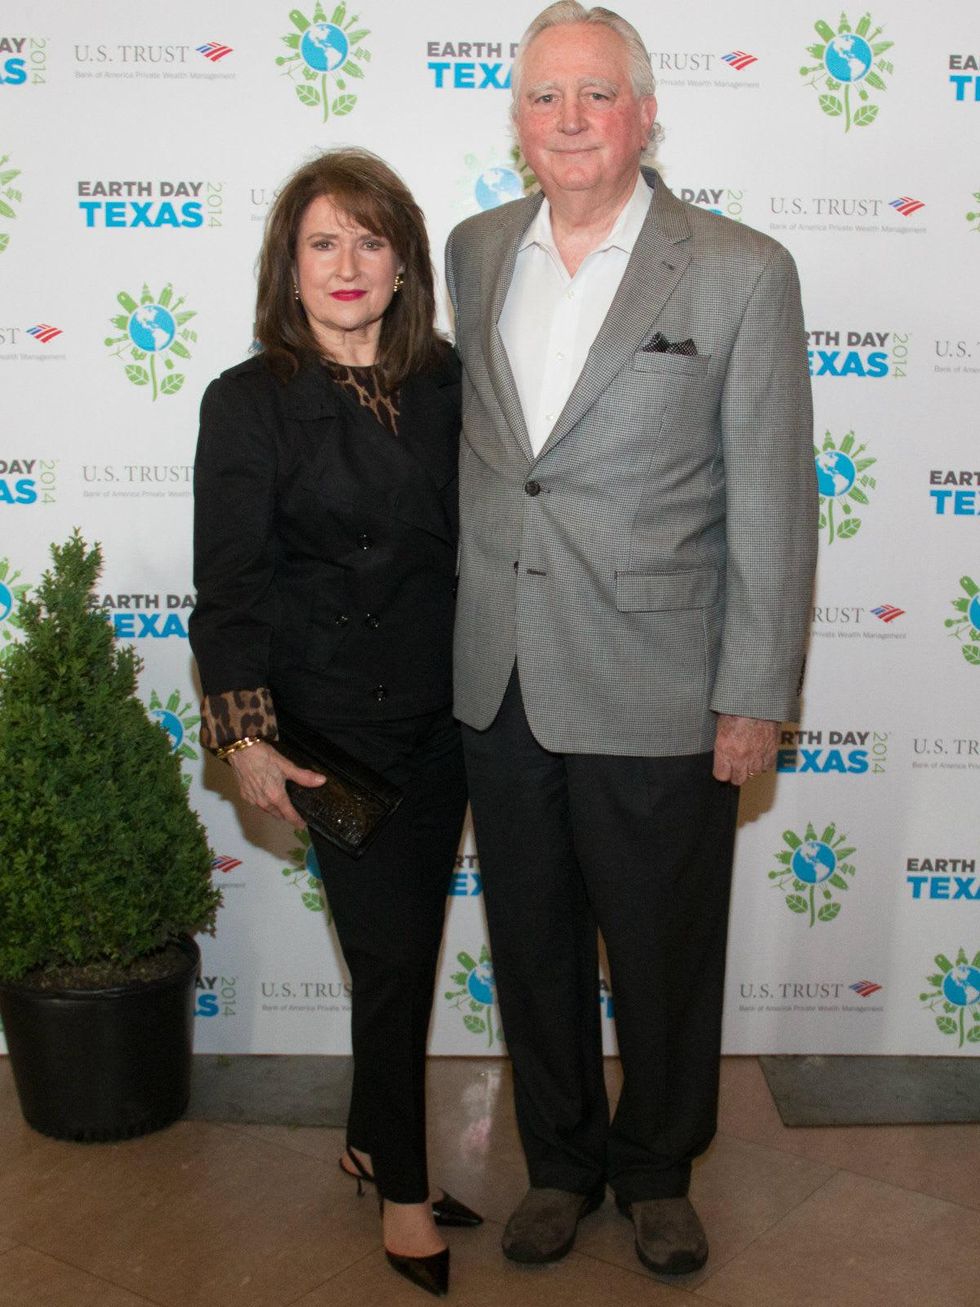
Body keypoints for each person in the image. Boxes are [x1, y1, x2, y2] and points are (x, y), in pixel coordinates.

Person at [446, 2, 817, 1278]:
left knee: (660, 948)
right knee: (530, 937)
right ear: (516, 122)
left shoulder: (738, 268)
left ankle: (657, 1168)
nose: (567, 121)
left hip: (660, 680)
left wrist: (753, 691)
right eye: (543, 98)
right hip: (499, 669)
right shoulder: (474, 248)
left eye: (593, 96)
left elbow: (771, 496)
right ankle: (561, 1161)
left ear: (645, 114)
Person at [190, 148, 480, 1300]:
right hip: (327, 734)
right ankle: (403, 1190)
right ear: (289, 265)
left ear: (403, 261)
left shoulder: (451, 382)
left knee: (395, 955)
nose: (347, 264)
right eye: (323, 242)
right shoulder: (248, 399)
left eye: (369, 240)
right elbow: (230, 588)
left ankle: (369, 1138)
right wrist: (248, 737)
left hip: (453, 716)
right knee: (392, 954)